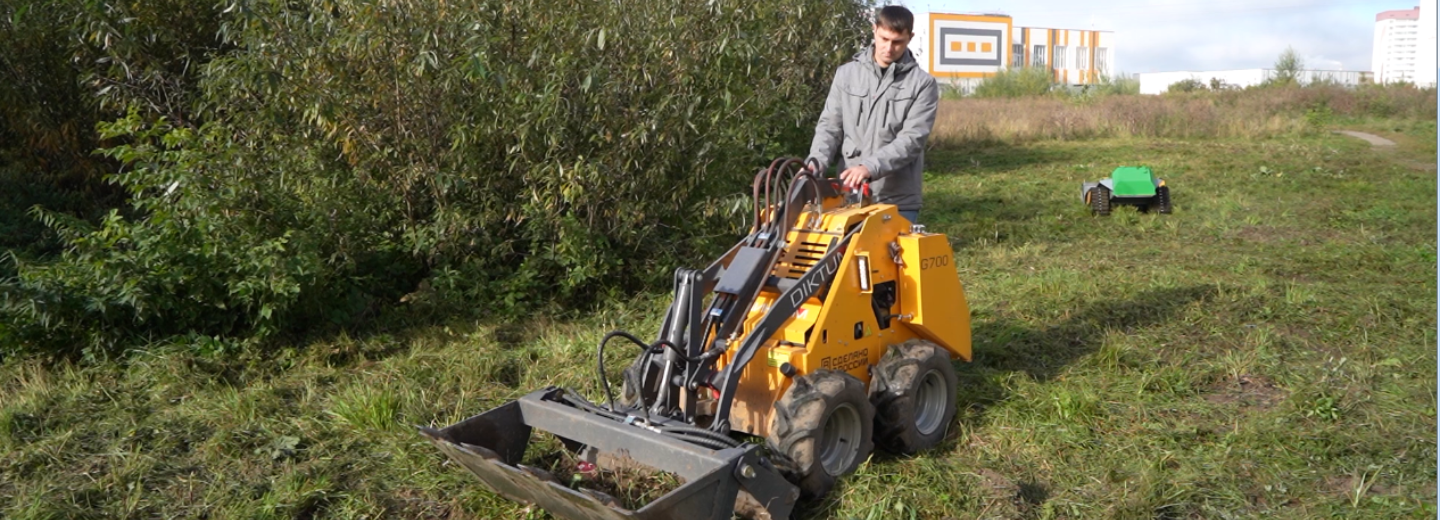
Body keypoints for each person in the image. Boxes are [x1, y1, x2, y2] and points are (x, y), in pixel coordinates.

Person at [806, 5, 938, 224]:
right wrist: (815, 163)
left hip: (897, 200)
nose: (889, 48)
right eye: (884, 39)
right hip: (849, 197)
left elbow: (912, 139)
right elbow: (830, 126)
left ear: (910, 38)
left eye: (897, 42)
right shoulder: (846, 74)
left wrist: (869, 167)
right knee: (841, 258)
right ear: (874, 29)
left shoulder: (923, 84)